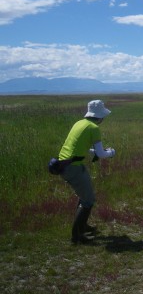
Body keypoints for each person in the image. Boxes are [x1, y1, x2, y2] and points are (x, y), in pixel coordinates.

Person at [58, 100, 116, 244]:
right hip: (74, 167)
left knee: (84, 196)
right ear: (100, 116)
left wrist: (95, 152)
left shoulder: (79, 123)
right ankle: (77, 236)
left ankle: (83, 227)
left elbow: (77, 147)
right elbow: (102, 154)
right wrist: (111, 152)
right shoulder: (93, 128)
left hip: (65, 164)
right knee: (88, 200)